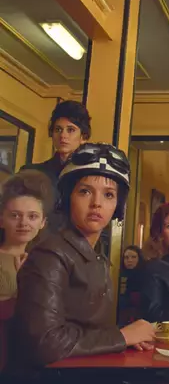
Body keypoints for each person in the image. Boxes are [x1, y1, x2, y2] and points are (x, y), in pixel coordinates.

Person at [14, 143, 155, 367]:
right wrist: (122, 336)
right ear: (67, 197)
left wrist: (127, 338)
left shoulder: (98, 257)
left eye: (108, 195)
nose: (97, 203)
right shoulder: (50, 254)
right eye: (85, 191)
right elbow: (46, 342)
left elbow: (93, 331)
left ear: (117, 206)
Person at [0, 171, 53, 371]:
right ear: (1, 219)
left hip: (32, 361)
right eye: (15, 215)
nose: (24, 223)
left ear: (42, 222)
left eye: (32, 216)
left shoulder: (45, 262)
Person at [21, 101, 92, 234]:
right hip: (37, 238)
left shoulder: (89, 176)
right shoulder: (31, 173)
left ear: (83, 137)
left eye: (70, 130)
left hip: (76, 239)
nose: (63, 135)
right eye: (58, 129)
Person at [117, 245, 145, 325]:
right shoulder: (119, 276)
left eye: (133, 257)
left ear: (139, 259)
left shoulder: (144, 276)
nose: (129, 260)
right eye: (126, 257)